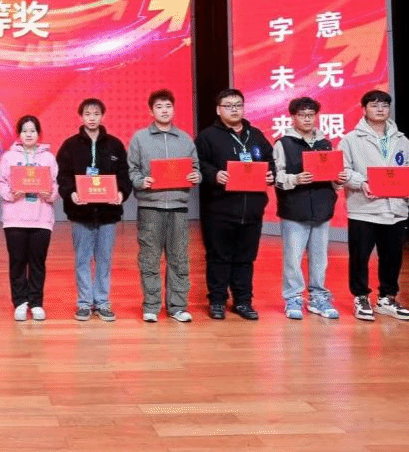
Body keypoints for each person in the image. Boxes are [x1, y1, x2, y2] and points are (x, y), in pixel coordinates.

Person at [338, 89, 409, 322]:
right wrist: (361, 182)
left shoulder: (401, 139)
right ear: (364, 109)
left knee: (392, 257)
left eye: (385, 105)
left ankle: (387, 298)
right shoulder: (350, 139)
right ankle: (360, 297)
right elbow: (343, 171)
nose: (380, 109)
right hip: (364, 209)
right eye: (374, 105)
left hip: (396, 209)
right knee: (360, 257)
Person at [195, 88, 276, 321]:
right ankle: (217, 300)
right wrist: (214, 174)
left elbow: (270, 161)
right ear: (218, 110)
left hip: (252, 209)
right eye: (228, 106)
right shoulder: (207, 136)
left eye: (238, 105)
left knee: (246, 258)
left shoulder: (256, 135)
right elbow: (197, 163)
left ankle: (243, 301)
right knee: (218, 256)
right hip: (219, 208)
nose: (234, 110)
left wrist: (271, 174)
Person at [127, 89, 201, 324]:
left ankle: (177, 307)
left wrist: (196, 176)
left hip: (178, 208)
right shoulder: (140, 138)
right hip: (151, 206)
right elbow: (132, 170)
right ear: (151, 111)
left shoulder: (185, 139)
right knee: (149, 259)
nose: (164, 110)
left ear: (174, 109)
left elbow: (196, 168)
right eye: (159, 107)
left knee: (179, 259)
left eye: (168, 106)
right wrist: (142, 181)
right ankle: (151, 306)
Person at [56, 98, 133, 323]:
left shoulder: (114, 145)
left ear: (102, 116)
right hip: (81, 213)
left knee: (104, 259)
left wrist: (121, 193)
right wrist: (71, 193)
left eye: (96, 114)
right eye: (88, 114)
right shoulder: (70, 145)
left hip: (108, 213)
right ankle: (83, 303)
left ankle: (102, 302)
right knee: (82, 259)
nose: (92, 118)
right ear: (81, 116)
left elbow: (124, 175)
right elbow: (62, 176)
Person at [272, 96, 345, 321]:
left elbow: (334, 177)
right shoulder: (283, 144)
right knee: (293, 258)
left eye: (311, 115)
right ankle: (293, 297)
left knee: (320, 257)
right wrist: (295, 179)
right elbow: (275, 177)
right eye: (302, 115)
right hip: (294, 208)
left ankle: (318, 296)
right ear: (293, 117)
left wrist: (338, 180)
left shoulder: (325, 144)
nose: (307, 119)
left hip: (322, 208)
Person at [0, 115, 59, 321]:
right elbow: (0, 182)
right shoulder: (8, 157)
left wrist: (51, 194)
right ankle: (20, 302)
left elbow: (55, 184)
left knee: (37, 262)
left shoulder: (48, 158)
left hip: (41, 217)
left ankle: (36, 302)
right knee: (17, 262)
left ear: (38, 134)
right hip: (15, 218)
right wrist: (10, 194)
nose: (28, 134)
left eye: (32, 131)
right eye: (24, 131)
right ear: (19, 134)